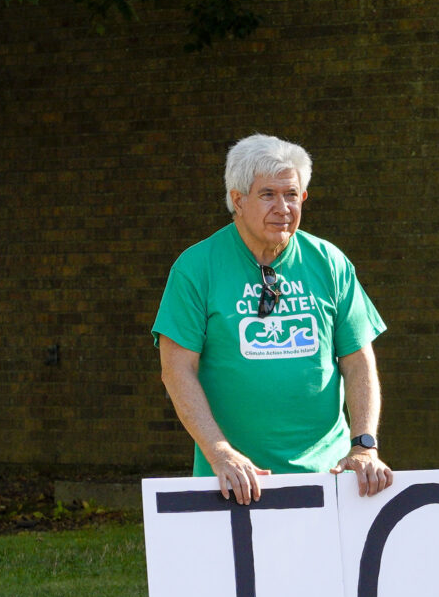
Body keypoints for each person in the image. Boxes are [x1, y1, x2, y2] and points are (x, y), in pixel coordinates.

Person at [154, 134, 391, 503]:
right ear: (237, 199)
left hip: (329, 478)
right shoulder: (196, 268)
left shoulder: (330, 263)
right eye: (268, 194)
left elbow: (359, 361)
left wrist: (363, 446)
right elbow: (177, 370)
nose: (283, 207)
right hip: (234, 480)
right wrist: (220, 453)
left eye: (291, 194)